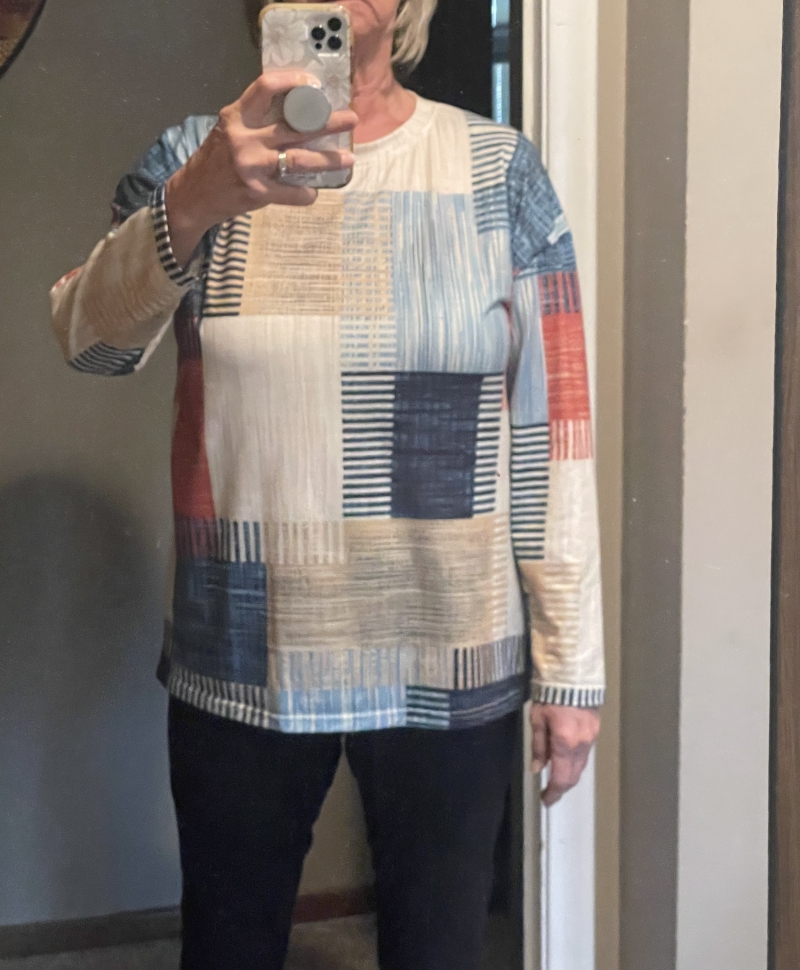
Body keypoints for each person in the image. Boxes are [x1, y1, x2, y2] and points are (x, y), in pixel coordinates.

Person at [49, 0, 604, 967]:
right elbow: (88, 343)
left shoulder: (499, 172)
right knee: (228, 946)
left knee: (439, 950)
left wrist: (570, 669)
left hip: (449, 642)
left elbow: (551, 430)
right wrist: (195, 200)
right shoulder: (196, 156)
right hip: (247, 650)